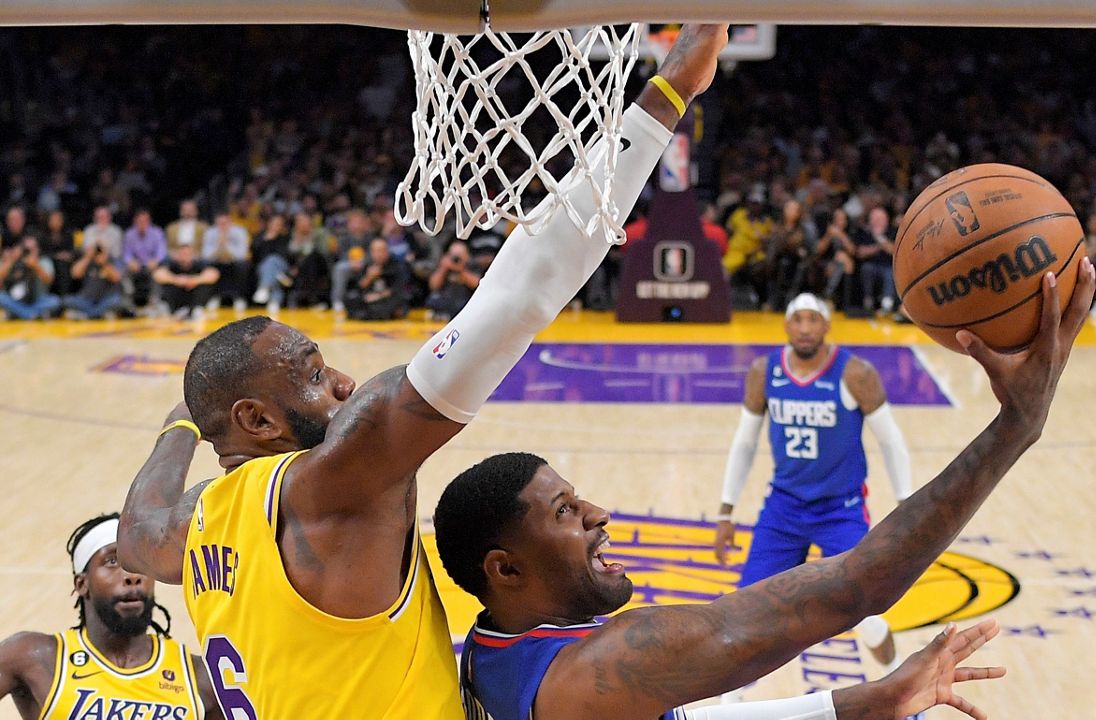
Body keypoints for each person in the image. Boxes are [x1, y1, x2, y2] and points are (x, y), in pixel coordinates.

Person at [116, 24, 729, 720]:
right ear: (256, 419)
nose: (344, 384)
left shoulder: (194, 528)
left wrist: (181, 427)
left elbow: (137, 526)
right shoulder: (338, 483)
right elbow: (519, 298)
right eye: (315, 374)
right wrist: (669, 91)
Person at [432, 256, 1095, 720]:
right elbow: (857, 584)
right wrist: (1017, 425)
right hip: (790, 506)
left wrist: (872, 702)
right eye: (566, 512)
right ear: (505, 567)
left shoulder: (492, 652)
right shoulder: (589, 676)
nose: (600, 514)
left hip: (832, 502)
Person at [711, 292, 915, 694]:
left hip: (841, 511)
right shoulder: (763, 372)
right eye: (797, 320)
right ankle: (728, 707)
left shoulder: (855, 373)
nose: (805, 328)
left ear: (826, 325)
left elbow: (891, 441)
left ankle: (902, 688)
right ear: (787, 326)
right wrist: (725, 512)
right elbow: (744, 443)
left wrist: (907, 505)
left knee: (867, 614)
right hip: (783, 509)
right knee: (744, 615)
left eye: (812, 320)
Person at [0, 513, 221, 720]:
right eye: (112, 562)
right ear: (82, 583)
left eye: (139, 564)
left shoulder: (198, 676)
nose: (132, 576)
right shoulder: (35, 657)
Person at [346, 237, 410, 320]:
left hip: (385, 299)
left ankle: (371, 314)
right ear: (371, 252)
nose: (379, 254)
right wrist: (369, 278)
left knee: (399, 300)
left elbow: (399, 288)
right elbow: (356, 288)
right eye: (376, 251)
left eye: (382, 250)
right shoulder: (366, 266)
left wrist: (379, 296)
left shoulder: (397, 266)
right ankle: (372, 314)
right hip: (368, 299)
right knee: (351, 297)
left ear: (387, 251)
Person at [200, 213, 252, 312]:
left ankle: (239, 297)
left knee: (242, 265)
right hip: (216, 260)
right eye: (219, 223)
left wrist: (226, 247)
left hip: (234, 261)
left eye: (225, 223)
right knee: (206, 265)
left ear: (230, 222)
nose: (222, 226)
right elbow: (205, 255)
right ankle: (214, 297)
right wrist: (219, 247)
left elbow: (242, 254)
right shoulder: (210, 232)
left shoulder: (240, 231)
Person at [0, 236, 61, 320]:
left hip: (37, 300)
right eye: (27, 249)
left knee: (55, 301)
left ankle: (19, 313)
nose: (30, 252)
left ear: (38, 249)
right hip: (15, 300)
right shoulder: (13, 262)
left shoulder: (44, 261)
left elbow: (49, 280)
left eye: (33, 248)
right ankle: (30, 314)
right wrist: (12, 260)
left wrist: (36, 266)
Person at [153, 244, 220, 320]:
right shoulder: (171, 264)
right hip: (178, 298)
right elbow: (158, 274)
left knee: (205, 286)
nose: (185, 256)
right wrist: (177, 280)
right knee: (168, 285)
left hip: (193, 296)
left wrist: (194, 280)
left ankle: (197, 309)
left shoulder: (199, 264)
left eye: (187, 254)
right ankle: (176, 311)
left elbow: (214, 274)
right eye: (182, 254)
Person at [64, 241, 125, 319]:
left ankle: (86, 314)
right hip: (86, 299)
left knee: (116, 300)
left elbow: (117, 278)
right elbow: (75, 274)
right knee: (67, 300)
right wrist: (88, 257)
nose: (98, 253)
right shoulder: (88, 262)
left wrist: (104, 263)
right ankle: (99, 314)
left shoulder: (110, 261)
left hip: (104, 300)